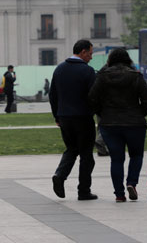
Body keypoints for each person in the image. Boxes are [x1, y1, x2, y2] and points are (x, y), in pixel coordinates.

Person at [88, 48, 147, 202]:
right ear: (127, 59)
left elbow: (92, 98)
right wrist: (140, 113)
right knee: (136, 155)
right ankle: (131, 183)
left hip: (110, 123)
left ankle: (119, 194)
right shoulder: (135, 76)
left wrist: (102, 113)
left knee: (116, 159)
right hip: (134, 123)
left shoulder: (102, 76)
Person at [49, 39, 98, 200]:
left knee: (71, 149)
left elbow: (53, 95)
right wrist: (94, 111)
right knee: (86, 156)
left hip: (64, 118)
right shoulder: (88, 71)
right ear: (83, 52)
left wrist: (57, 116)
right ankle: (83, 191)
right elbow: (94, 96)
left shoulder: (59, 69)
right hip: (83, 118)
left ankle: (60, 175)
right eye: (90, 54)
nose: (91, 57)